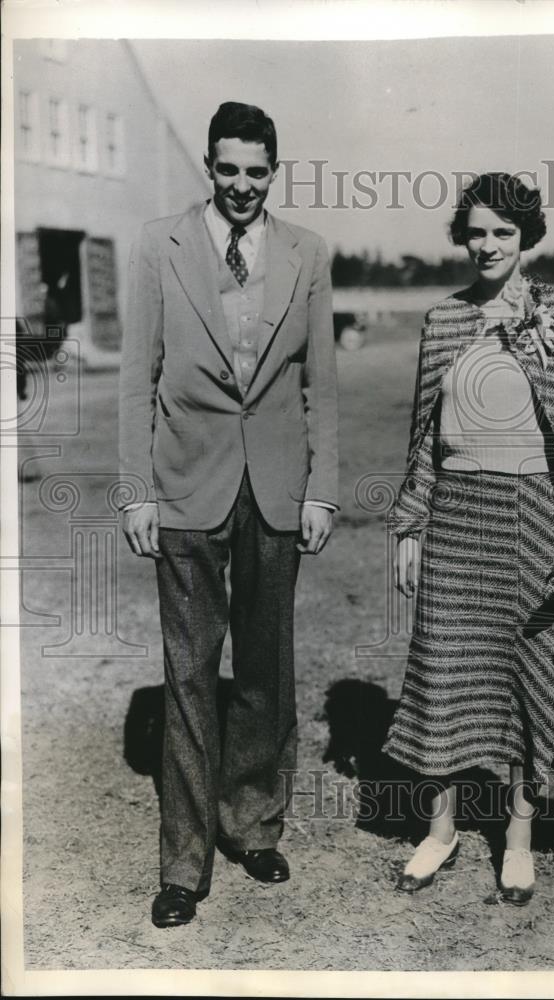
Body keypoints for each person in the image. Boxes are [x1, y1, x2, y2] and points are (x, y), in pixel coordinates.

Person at [118, 102, 338, 928]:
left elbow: (322, 383)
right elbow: (137, 377)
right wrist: (136, 490)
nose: (241, 186)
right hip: (184, 488)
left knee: (265, 667)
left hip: (276, 489)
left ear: (272, 172)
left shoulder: (307, 254)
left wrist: (321, 488)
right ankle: (183, 865)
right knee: (188, 673)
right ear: (208, 168)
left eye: (256, 172)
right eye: (227, 169)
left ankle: (252, 823)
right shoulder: (156, 244)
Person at [384, 172, 554, 905]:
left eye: (502, 233)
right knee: (443, 675)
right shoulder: (442, 320)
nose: (487, 245)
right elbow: (422, 437)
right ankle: (440, 830)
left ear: (526, 237)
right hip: (453, 522)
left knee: (529, 678)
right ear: (462, 235)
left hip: (532, 520)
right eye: (476, 231)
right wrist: (410, 525)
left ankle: (515, 840)